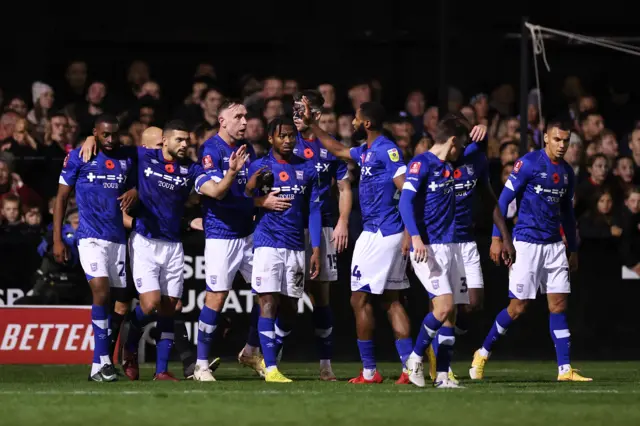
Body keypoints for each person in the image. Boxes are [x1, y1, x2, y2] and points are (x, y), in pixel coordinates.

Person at [301, 98, 415, 385]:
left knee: (358, 298)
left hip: (381, 232)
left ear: (366, 123)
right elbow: (337, 148)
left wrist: (408, 230)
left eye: (355, 118)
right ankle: (409, 368)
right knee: (391, 300)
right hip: (381, 230)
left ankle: (369, 371)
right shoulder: (366, 150)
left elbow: (406, 190)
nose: (352, 122)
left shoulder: (387, 150)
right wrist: (313, 125)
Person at [469, 120, 592, 382]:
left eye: (566, 141)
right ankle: (482, 352)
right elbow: (502, 201)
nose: (562, 145)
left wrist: (573, 248)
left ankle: (564, 369)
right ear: (546, 138)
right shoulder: (528, 163)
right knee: (518, 307)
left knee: (558, 305)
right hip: (526, 243)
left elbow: (568, 215)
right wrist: (496, 238)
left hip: (554, 246)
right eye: (557, 139)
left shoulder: (568, 173)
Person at [193, 100, 287, 382]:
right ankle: (200, 365)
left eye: (246, 116)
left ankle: (250, 351)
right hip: (222, 235)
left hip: (249, 235)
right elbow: (219, 194)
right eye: (238, 117)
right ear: (222, 120)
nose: (245, 122)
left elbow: (246, 191)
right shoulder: (211, 150)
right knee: (217, 297)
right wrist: (258, 199)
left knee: (268, 295)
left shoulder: (248, 150)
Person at [417, 114, 515, 382]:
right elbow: (411, 200)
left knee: (474, 302)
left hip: (466, 241)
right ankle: (439, 364)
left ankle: (434, 341)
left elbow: (490, 198)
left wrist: (503, 236)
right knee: (446, 306)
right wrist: (410, 235)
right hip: (438, 240)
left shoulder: (475, 160)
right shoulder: (432, 164)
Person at [53, 114, 137, 382]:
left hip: (117, 238)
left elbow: (148, 167)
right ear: (95, 133)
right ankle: (103, 362)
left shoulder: (127, 157)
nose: (111, 140)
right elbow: (61, 197)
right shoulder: (80, 156)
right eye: (104, 135)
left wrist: (135, 189)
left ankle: (98, 365)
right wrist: (57, 238)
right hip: (89, 236)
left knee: (116, 301)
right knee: (100, 292)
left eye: (115, 134)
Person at [280, 90, 352, 381]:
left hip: (322, 225)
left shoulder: (330, 148)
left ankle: (325, 365)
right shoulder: (285, 141)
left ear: (317, 114)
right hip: (288, 226)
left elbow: (345, 188)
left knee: (321, 296)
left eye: (304, 109)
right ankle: (268, 357)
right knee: (284, 296)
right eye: (295, 109)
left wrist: (343, 221)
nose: (297, 114)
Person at [246, 116, 322, 383]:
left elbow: (313, 210)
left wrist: (315, 248)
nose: (288, 140)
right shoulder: (259, 167)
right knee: (267, 302)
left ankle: (265, 352)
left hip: (295, 245)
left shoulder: (308, 168)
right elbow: (242, 200)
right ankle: (271, 368)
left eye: (291, 136)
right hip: (267, 242)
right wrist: (259, 201)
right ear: (271, 139)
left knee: (290, 309)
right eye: (282, 136)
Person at [398, 118, 471, 388]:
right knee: (444, 306)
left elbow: (473, 154)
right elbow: (405, 202)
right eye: (461, 143)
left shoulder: (448, 166)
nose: (462, 149)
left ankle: (442, 376)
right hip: (427, 247)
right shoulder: (421, 163)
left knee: (450, 315)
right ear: (453, 141)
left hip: (450, 245)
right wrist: (415, 237)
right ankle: (415, 358)